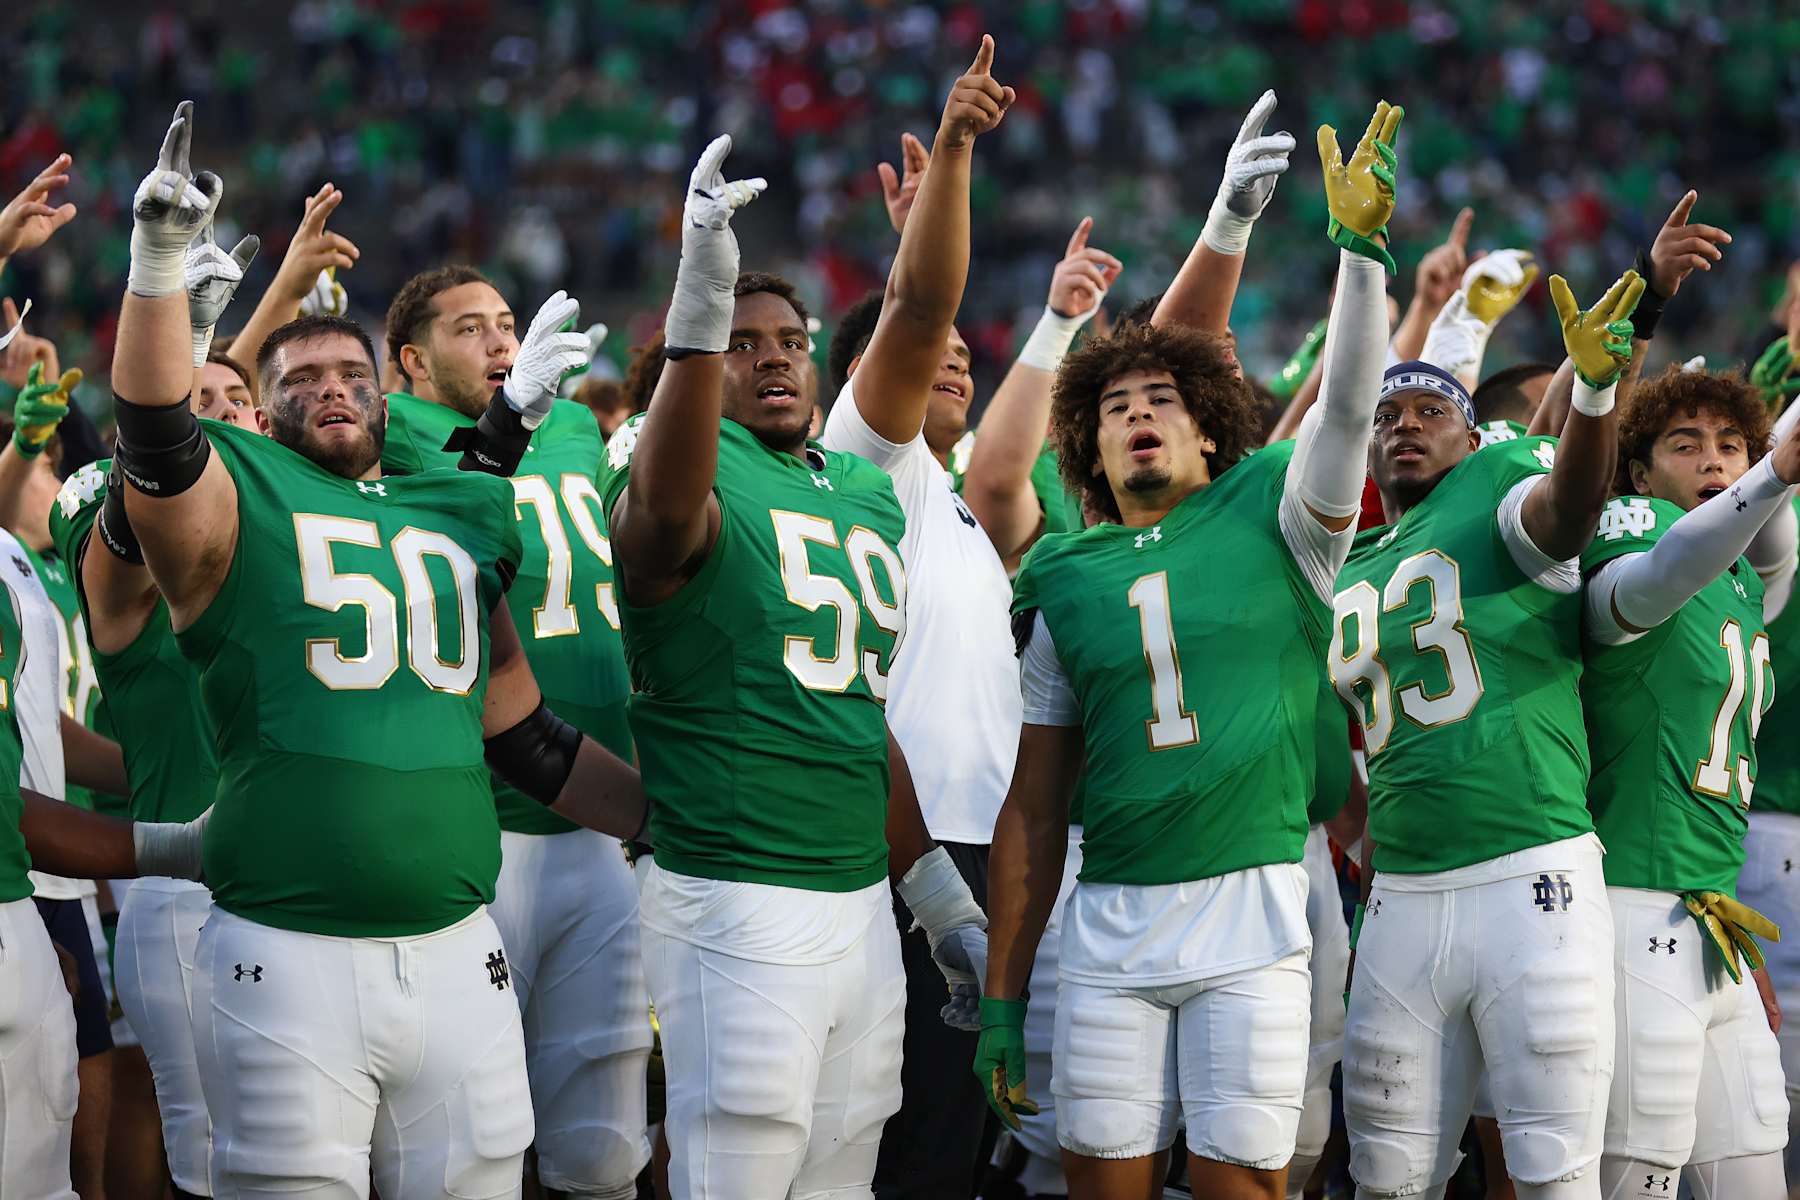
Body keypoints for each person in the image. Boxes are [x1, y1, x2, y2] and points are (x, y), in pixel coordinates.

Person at [110, 100, 646, 1199]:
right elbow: (157, 438)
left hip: (458, 947)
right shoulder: (237, 500)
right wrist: (157, 267)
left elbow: (525, 735)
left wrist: (666, 819)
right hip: (289, 949)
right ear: (262, 416)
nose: (331, 389)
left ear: (387, 396)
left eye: (351, 374)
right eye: (299, 381)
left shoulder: (455, 512)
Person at [979, 97, 1400, 1200]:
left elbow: (1348, 406)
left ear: (1209, 426)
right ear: (1090, 446)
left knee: (1242, 1187)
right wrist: (1004, 994)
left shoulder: (1280, 513)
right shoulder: (1066, 573)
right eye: (1114, 406)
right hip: (1108, 919)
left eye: (1161, 398)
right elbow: (1034, 805)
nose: (1138, 415)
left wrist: (1361, 258)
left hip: (1252, 908)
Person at [599, 102, 988, 1195]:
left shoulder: (857, 486)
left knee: (841, 1172)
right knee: (741, 1165)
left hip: (859, 896)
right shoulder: (678, 469)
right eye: (743, 343)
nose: (773, 359)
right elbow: (663, 518)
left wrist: (933, 891)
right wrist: (699, 300)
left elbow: (855, 714)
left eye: (791, 344)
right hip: (738, 887)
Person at [1330, 260, 1646, 1199]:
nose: (1404, 425)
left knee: (1553, 1172)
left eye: (1430, 410)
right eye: (1386, 416)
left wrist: (1592, 395)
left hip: (1529, 870)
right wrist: (1359, 828)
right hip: (1401, 890)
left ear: (1473, 438)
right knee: (1388, 1177)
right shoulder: (1344, 562)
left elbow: (1568, 509)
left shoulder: (1502, 480)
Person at [383, 263, 650, 1200]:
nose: (503, 341)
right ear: (411, 361)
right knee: (466, 1142)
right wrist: (510, 420)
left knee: (605, 1146)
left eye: (506, 322)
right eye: (470, 328)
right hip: (479, 823)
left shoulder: (574, 427)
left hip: (599, 815)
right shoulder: (388, 432)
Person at [815, 37, 1026, 1197]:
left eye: (960, 358)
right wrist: (951, 162)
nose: (951, 361)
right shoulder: (866, 466)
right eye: (924, 357)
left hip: (982, 848)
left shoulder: (950, 506)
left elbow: (919, 308)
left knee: (953, 1146)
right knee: (892, 1149)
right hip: (905, 849)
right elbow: (917, 307)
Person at [1579, 365, 1798, 1198]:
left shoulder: (1739, 578)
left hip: (1712, 913)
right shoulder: (1632, 543)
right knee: (1636, 1174)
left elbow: (1768, 543)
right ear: (1639, 474)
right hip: (1631, 903)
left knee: (1755, 1176)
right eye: (1686, 443)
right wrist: (1768, 473)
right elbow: (1665, 568)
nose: (1715, 459)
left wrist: (1770, 474)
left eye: (1731, 444)